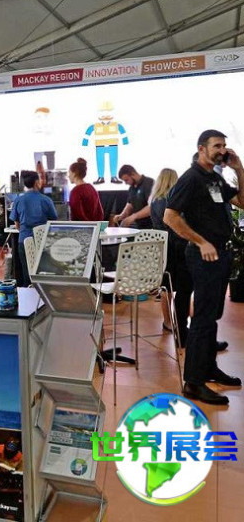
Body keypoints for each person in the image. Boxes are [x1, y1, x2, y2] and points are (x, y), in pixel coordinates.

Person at [164, 129, 244, 406]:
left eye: (224, 145)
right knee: (202, 319)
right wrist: (201, 242)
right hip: (204, 256)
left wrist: (239, 169)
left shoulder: (213, 177)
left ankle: (209, 368)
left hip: (221, 254)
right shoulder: (191, 178)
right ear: (202, 148)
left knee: (211, 316)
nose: (222, 150)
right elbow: (170, 216)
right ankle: (194, 383)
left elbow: (241, 202)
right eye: (216, 146)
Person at [150, 168, 193, 343]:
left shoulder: (154, 201)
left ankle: (167, 322)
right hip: (177, 247)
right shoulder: (172, 201)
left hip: (161, 248)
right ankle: (180, 323)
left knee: (166, 287)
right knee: (183, 287)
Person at [9, 170, 58, 285]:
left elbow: (17, 224)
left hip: (24, 241)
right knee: (44, 275)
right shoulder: (46, 200)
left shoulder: (18, 200)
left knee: (27, 274)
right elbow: (53, 221)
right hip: (42, 242)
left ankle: (28, 294)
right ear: (36, 182)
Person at [114, 164, 154, 228]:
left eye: (126, 180)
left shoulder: (149, 183)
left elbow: (152, 206)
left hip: (151, 225)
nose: (126, 183)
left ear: (133, 174)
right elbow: (130, 204)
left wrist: (134, 216)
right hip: (138, 225)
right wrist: (122, 215)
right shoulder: (131, 188)